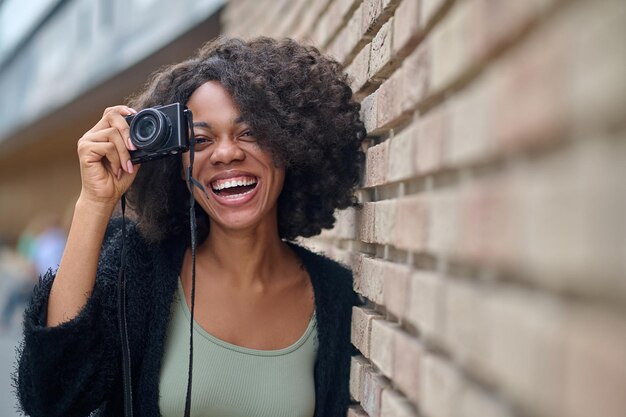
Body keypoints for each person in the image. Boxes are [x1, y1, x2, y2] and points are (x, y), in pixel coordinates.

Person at [16, 37, 365, 417]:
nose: (226, 152)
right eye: (200, 140)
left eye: (250, 133)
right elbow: (52, 398)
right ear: (177, 167)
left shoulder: (332, 295)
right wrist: (93, 203)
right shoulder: (140, 267)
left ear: (291, 146)